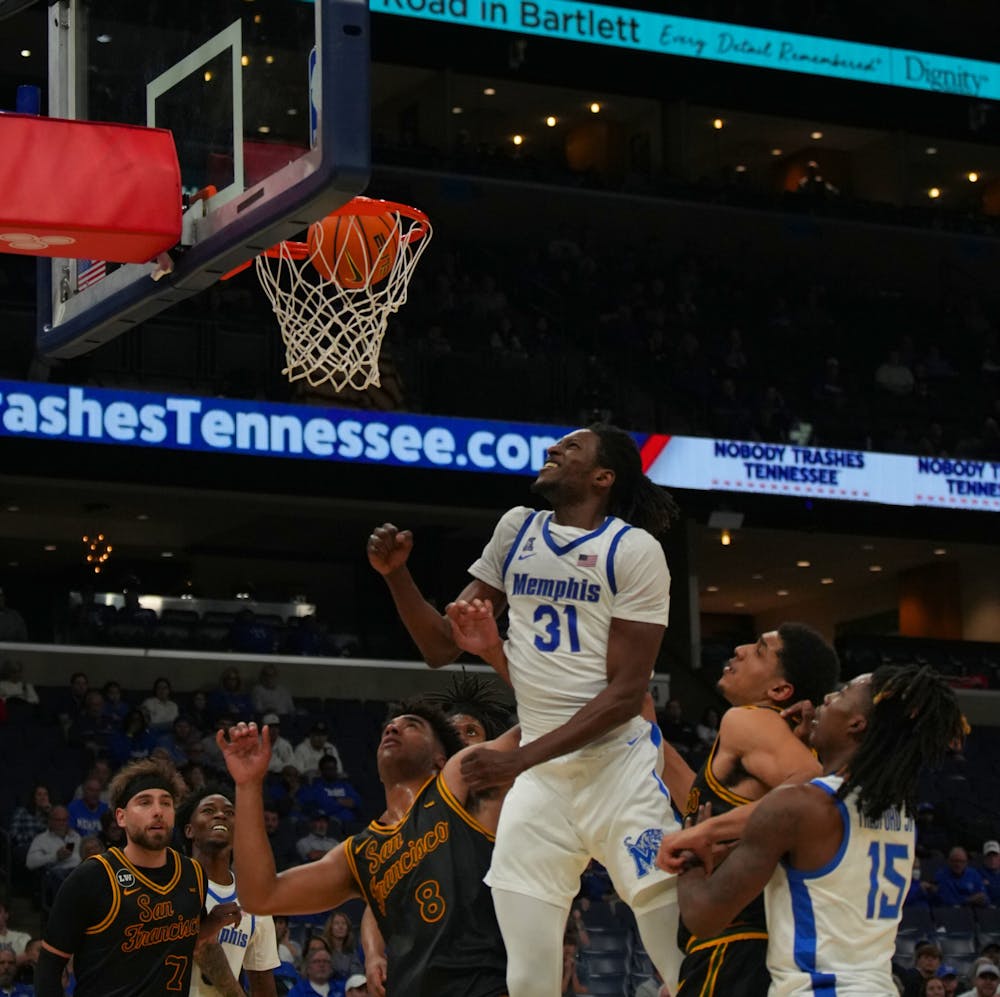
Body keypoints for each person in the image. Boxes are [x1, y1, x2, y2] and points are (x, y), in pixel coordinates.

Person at [367, 423, 684, 995]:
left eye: (572, 447)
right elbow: (443, 645)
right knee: (528, 976)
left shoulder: (633, 550)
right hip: (541, 782)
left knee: (674, 950)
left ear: (602, 477)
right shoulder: (517, 530)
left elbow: (624, 694)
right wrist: (397, 578)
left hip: (618, 765)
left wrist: (520, 759)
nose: (554, 450)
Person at [676, 665, 966, 996]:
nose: (826, 699)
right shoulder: (899, 810)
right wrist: (815, 740)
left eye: (841, 694)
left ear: (857, 724)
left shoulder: (797, 807)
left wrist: (691, 856)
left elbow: (703, 917)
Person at [220, 700, 513, 997]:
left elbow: (532, 730)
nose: (395, 727)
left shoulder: (456, 788)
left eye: (412, 725)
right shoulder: (360, 853)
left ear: (440, 759)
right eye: (391, 725)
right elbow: (260, 896)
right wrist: (248, 785)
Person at [656, 624, 841, 996]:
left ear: (779, 690)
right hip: (764, 943)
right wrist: (645, 730)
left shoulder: (748, 719)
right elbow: (702, 802)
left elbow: (810, 784)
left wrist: (704, 832)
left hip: (735, 941)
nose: (739, 649)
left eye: (759, 651)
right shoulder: (776, 739)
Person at [36, 756, 242, 997]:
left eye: (166, 803)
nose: (158, 811)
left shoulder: (192, 874)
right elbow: (49, 968)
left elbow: (182, 941)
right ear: (121, 817)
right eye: (145, 802)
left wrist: (211, 924)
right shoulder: (93, 876)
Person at [179, 785, 280, 997]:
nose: (220, 815)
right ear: (189, 830)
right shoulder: (171, 882)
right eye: (208, 810)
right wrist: (206, 929)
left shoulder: (254, 902)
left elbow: (263, 984)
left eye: (229, 812)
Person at [321, 911, 363, 986]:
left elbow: (357, 975)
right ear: (330, 927)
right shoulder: (323, 949)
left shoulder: (352, 952)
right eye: (336, 923)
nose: (341, 927)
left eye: (344, 923)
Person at [979, 841, 1000, 906]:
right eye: (989, 856)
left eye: (995, 856)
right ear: (984, 858)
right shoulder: (977, 874)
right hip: (986, 912)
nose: (992, 859)